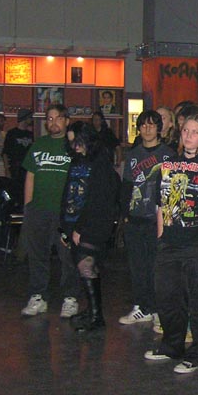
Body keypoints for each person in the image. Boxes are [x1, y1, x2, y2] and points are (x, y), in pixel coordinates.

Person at [144, 110, 198, 374]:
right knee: (168, 299)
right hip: (171, 243)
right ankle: (172, 345)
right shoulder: (168, 165)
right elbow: (161, 204)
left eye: (195, 132)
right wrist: (161, 236)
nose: (189, 136)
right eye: (186, 131)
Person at [60, 122, 120, 332]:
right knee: (83, 265)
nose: (74, 146)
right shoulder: (78, 160)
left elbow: (98, 198)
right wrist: (64, 224)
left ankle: (96, 316)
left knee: (86, 264)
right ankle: (92, 311)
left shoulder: (100, 162)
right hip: (75, 220)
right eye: (71, 143)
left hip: (93, 223)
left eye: (77, 141)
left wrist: (80, 226)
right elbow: (68, 191)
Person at [20, 104, 78, 318]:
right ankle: (38, 296)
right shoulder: (39, 145)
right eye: (50, 118)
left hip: (64, 215)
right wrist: (28, 208)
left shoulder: (73, 146)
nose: (53, 122)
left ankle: (70, 297)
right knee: (37, 254)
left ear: (67, 121)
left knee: (67, 256)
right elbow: (30, 176)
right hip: (39, 211)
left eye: (58, 118)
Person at [119, 110, 173, 325]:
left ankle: (158, 308)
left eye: (152, 125)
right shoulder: (133, 155)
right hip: (135, 218)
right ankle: (142, 306)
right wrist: (124, 215)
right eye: (143, 125)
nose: (147, 129)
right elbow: (126, 185)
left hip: (157, 220)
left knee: (156, 266)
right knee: (137, 266)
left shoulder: (168, 154)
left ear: (159, 128)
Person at [2, 109, 34, 198]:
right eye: (30, 117)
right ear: (24, 118)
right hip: (15, 168)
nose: (31, 119)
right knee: (15, 192)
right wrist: (7, 169)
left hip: (27, 168)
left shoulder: (30, 134)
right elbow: (5, 152)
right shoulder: (12, 133)